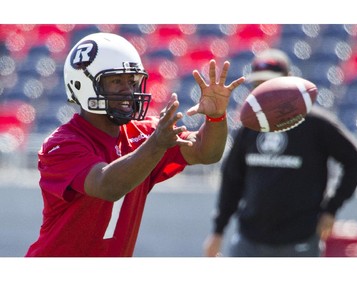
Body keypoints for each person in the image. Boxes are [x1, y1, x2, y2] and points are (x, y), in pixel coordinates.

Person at [25, 32, 245, 257]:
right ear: (82, 84)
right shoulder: (61, 144)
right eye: (116, 81)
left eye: (132, 81)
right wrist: (156, 145)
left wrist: (216, 117)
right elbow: (107, 186)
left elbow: (206, 152)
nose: (128, 91)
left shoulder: (143, 133)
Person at [203, 48, 357, 257]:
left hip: (299, 241)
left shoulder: (316, 124)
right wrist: (218, 231)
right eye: (257, 84)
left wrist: (331, 209)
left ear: (289, 83)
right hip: (249, 239)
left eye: (270, 84)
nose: (262, 90)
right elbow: (231, 179)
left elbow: (356, 162)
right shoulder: (248, 127)